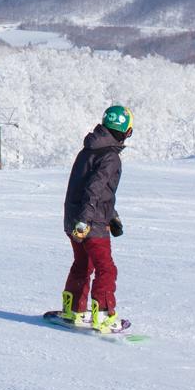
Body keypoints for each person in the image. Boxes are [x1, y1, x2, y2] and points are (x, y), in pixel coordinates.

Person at [58, 104, 131, 332]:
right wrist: (85, 221)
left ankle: (73, 310)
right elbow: (95, 191)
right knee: (106, 268)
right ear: (125, 130)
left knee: (82, 263)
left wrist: (113, 217)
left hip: (75, 218)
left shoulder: (88, 150)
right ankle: (104, 315)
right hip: (90, 223)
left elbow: (95, 191)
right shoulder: (110, 157)